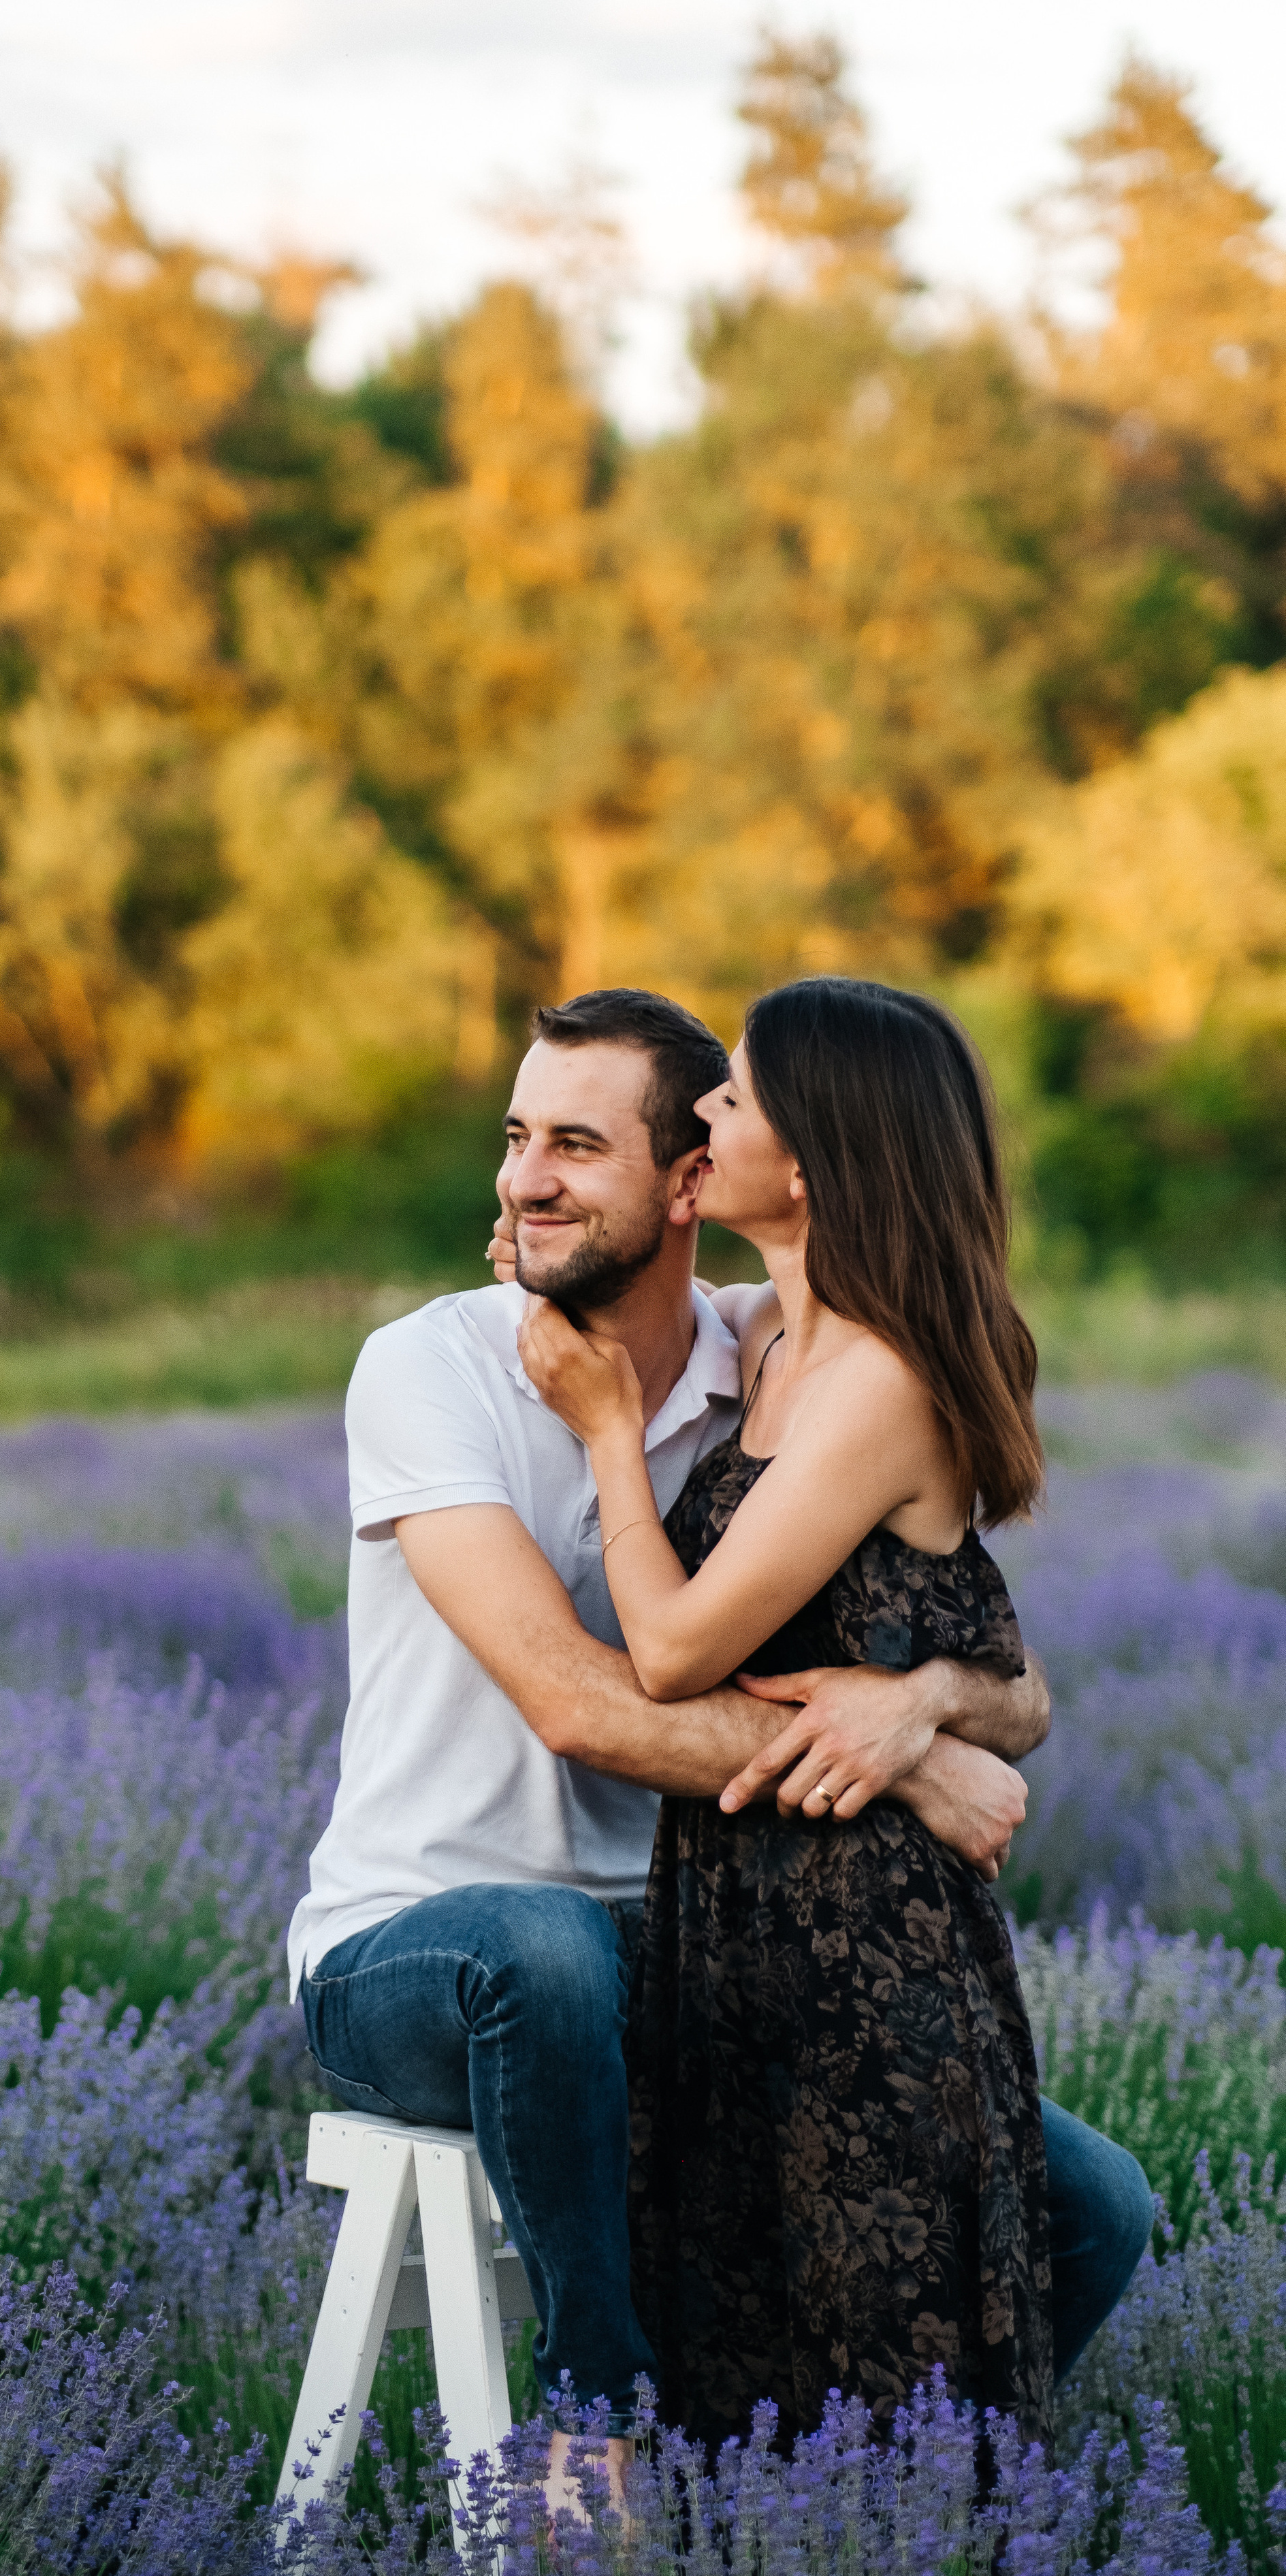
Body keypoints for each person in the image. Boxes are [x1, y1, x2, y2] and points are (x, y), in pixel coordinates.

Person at [288, 988, 1150, 2497]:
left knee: (1090, 2200)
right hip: (417, 1946)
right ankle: (597, 2427)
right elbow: (576, 1700)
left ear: (687, 1181)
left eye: (573, 1144)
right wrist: (911, 1782)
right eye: (513, 1140)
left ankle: (815, 2496)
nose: (521, 1180)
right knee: (539, 1954)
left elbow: (1010, 1678)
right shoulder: (431, 1368)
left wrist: (927, 1711)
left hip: (687, 1956)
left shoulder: (773, 1358)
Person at [515, 978, 1070, 2451]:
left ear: (813, 1160)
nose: (704, 1113)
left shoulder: (878, 1378)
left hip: (864, 1959)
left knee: (881, 2392)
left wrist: (604, 1438)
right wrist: (924, 1710)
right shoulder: (767, 1337)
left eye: (736, 1100)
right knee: (737, 2372)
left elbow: (680, 1648)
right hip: (731, 1929)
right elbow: (994, 1661)